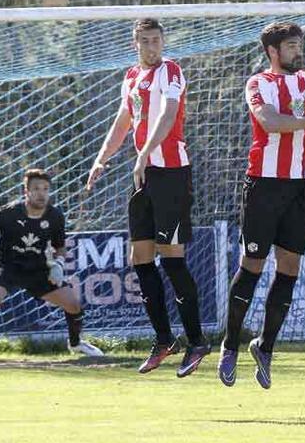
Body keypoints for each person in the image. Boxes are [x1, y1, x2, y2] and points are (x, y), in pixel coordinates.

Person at [86, 18, 209, 377]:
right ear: (135, 43)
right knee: (139, 256)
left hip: (170, 173)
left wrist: (144, 153)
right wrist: (101, 159)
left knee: (172, 257)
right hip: (143, 176)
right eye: (146, 41)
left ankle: (197, 340)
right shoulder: (130, 77)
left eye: (157, 40)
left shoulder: (171, 71)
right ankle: (163, 339)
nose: (153, 47)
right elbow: (122, 121)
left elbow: (169, 114)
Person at [217, 22, 305, 389]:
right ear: (273, 50)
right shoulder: (258, 83)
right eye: (291, 46)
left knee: (290, 267)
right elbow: (268, 121)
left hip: (301, 186)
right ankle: (230, 344)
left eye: (299, 45)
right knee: (251, 264)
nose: (297, 51)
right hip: (264, 186)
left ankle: (265, 346)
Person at [0, 169, 103, 364]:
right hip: (7, 267)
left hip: (38, 270)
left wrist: (58, 264)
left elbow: (60, 246)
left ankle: (75, 344)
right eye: (36, 189)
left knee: (73, 304)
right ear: (26, 191)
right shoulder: (8, 213)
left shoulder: (55, 216)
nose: (41, 193)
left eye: (45, 189)